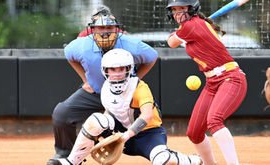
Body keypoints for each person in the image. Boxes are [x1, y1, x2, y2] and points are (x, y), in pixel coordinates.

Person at [47, 6, 158, 165]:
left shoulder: (130, 43)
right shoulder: (81, 45)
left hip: (124, 95)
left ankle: (158, 151)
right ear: (92, 30)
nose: (105, 31)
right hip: (96, 93)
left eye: (109, 27)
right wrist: (86, 80)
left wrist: (136, 81)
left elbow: (152, 57)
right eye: (100, 28)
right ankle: (65, 155)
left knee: (147, 122)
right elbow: (68, 55)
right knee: (61, 113)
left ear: (116, 29)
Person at [53, 48, 202, 165]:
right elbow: (109, 113)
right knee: (97, 119)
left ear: (129, 69)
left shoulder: (139, 87)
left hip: (147, 135)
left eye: (121, 69)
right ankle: (72, 161)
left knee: (163, 160)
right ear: (105, 71)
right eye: (112, 69)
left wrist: (126, 135)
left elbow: (147, 115)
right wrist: (100, 135)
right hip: (120, 135)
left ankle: (190, 160)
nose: (117, 73)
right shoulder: (105, 88)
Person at [166, 0, 247, 165]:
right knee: (194, 132)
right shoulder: (194, 25)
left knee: (214, 120)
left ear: (192, 9)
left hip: (230, 77)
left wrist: (178, 32)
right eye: (174, 10)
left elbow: (171, 43)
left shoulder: (190, 26)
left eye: (182, 8)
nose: (177, 13)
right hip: (212, 82)